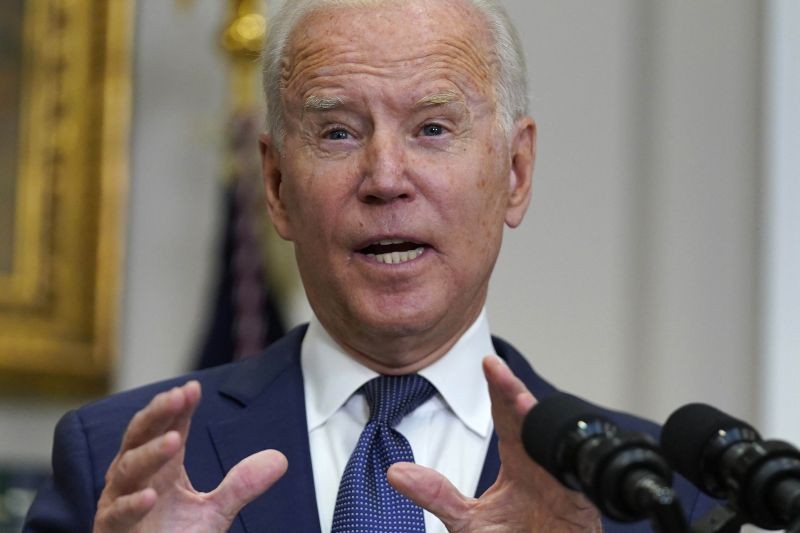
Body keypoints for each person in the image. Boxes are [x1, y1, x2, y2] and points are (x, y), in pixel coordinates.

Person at [24, 0, 717, 531]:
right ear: (274, 185)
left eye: (433, 128)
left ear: (516, 170)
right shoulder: (112, 463)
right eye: (337, 132)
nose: (385, 176)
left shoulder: (655, 488)